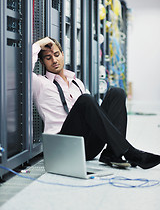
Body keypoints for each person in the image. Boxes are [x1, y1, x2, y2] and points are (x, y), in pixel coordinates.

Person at [32, 36, 160, 169]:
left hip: (88, 147)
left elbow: (94, 114)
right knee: (86, 100)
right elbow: (22, 67)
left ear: (63, 55)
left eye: (57, 55)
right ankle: (129, 151)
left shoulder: (77, 83)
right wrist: (38, 44)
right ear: (42, 62)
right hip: (64, 145)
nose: (54, 60)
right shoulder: (40, 83)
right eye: (48, 58)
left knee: (117, 93)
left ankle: (112, 153)